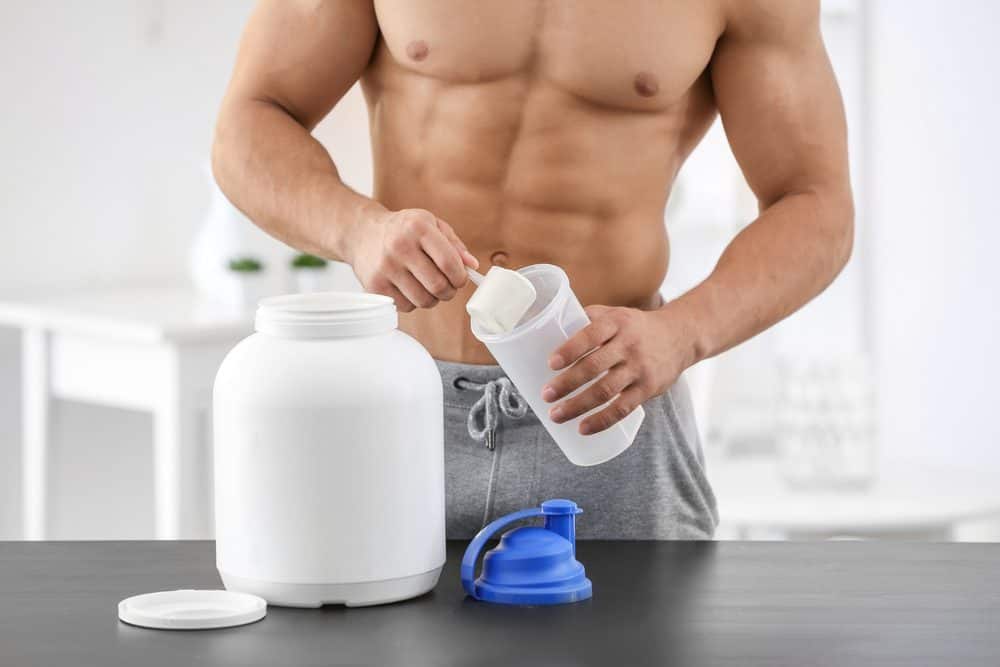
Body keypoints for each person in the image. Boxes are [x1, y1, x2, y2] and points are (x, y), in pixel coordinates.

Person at [212, 0, 853, 539]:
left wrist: (681, 334)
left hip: (609, 415)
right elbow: (251, 119)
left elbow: (816, 205)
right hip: (404, 407)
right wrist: (358, 230)